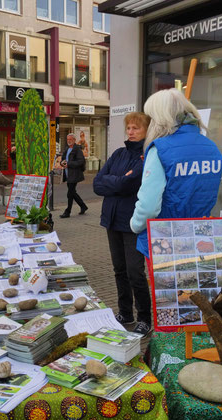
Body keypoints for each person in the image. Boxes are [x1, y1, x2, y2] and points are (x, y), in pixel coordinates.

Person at [130, 88, 222, 263]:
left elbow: (149, 206)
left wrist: (135, 225)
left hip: (165, 240)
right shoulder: (211, 147)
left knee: (167, 289)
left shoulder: (160, 148)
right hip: (201, 237)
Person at [93, 112, 152, 335]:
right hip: (112, 220)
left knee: (135, 272)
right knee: (119, 270)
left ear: (146, 130)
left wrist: (115, 182)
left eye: (136, 128)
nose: (131, 131)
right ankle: (125, 312)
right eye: (129, 128)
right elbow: (97, 184)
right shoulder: (118, 154)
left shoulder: (146, 157)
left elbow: (130, 184)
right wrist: (118, 181)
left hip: (133, 222)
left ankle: (144, 317)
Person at [59, 133, 87, 218]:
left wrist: (69, 164)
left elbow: (80, 161)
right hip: (68, 174)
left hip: (74, 174)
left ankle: (67, 212)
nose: (69, 141)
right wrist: (62, 163)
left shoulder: (77, 149)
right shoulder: (67, 148)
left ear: (74, 140)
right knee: (72, 192)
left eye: (70, 139)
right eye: (67, 139)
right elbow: (63, 159)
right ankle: (83, 206)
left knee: (70, 193)